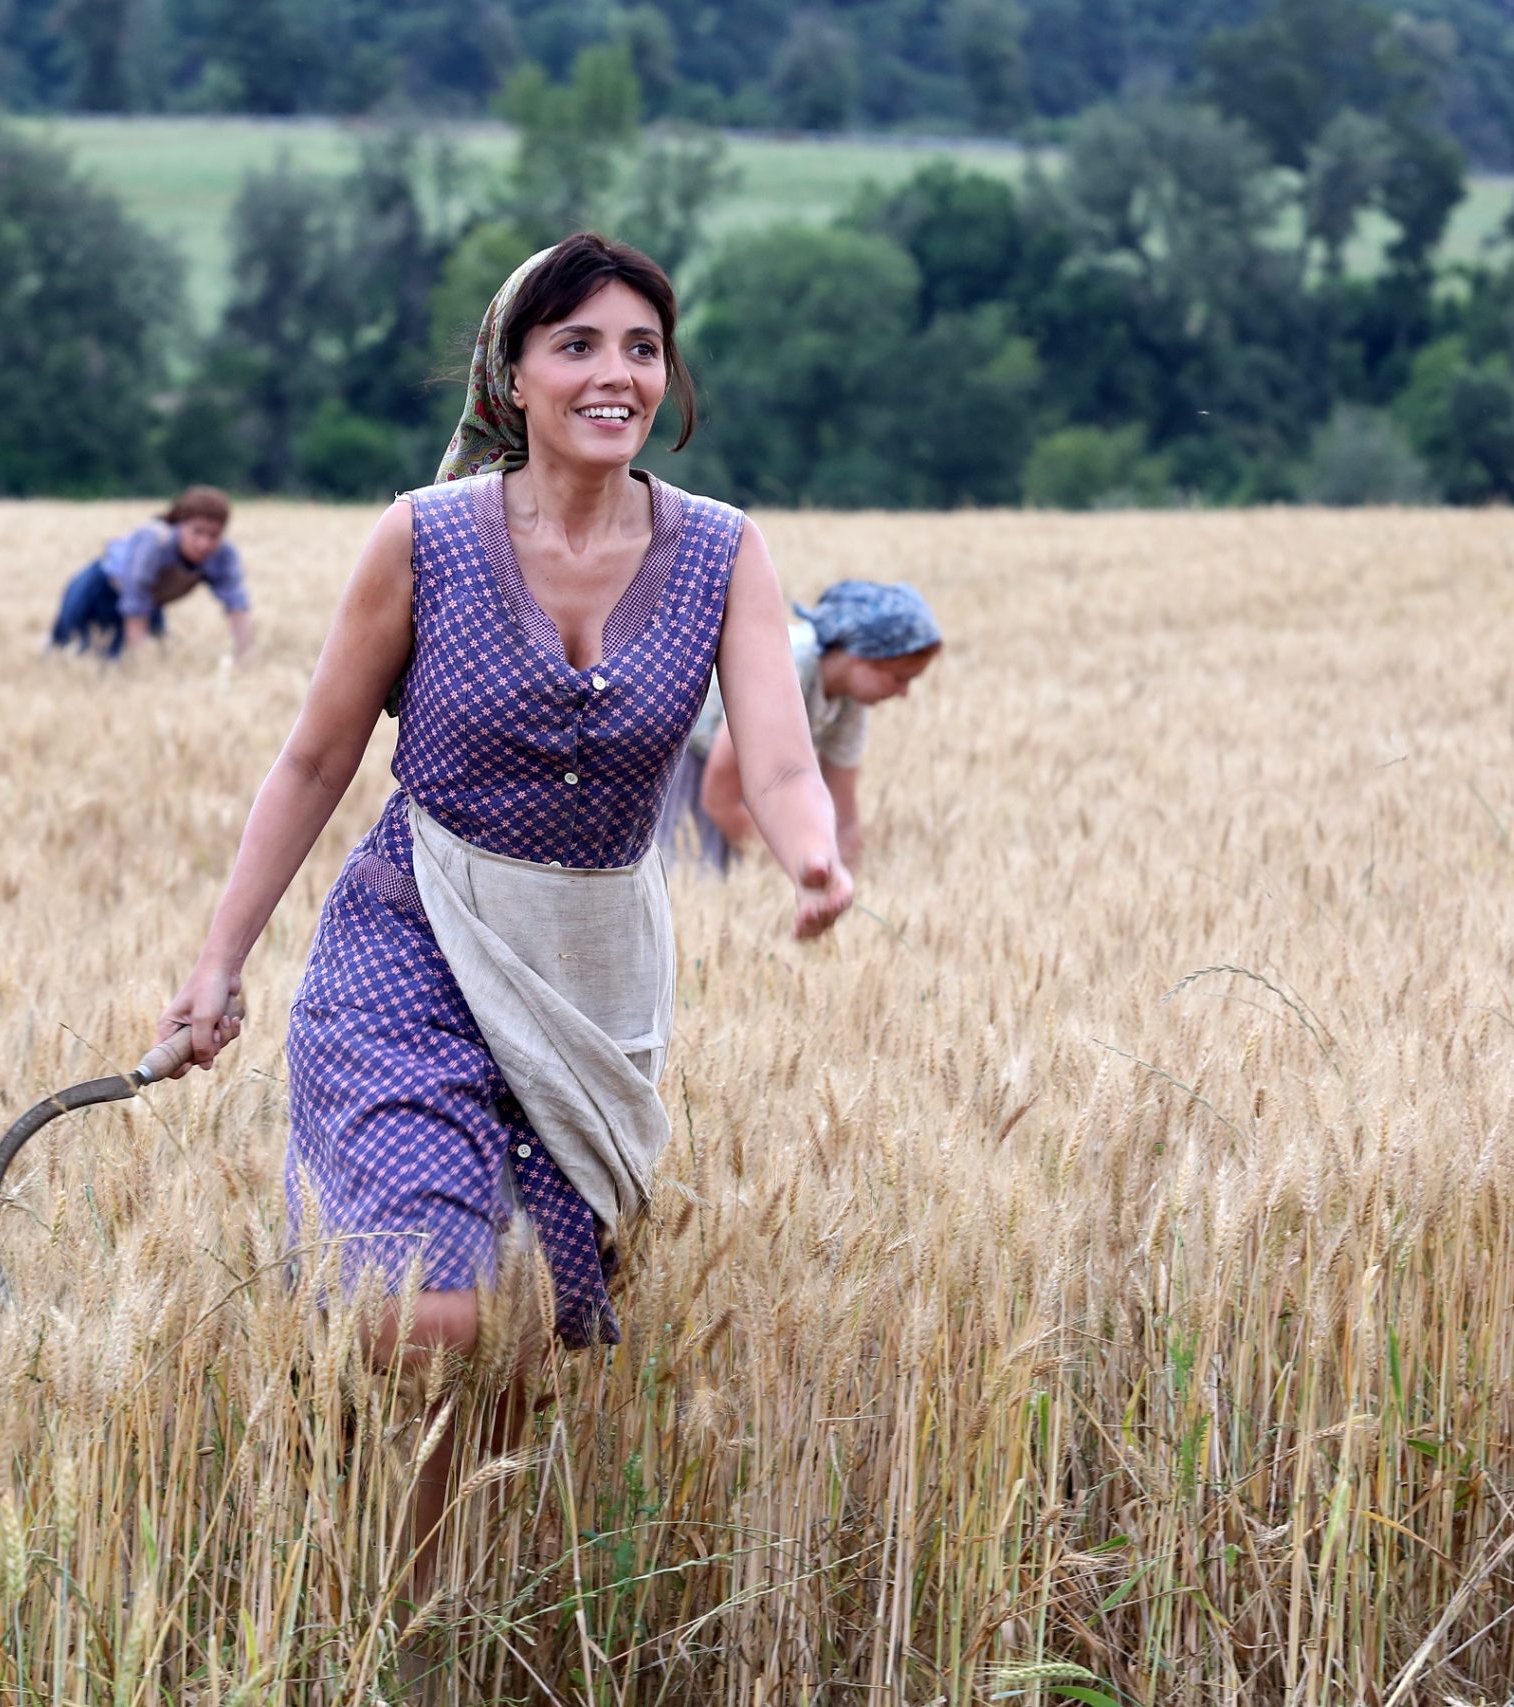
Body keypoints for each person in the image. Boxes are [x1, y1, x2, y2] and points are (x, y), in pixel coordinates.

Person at [147, 233, 851, 1595]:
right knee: (433, 1310)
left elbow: (775, 757)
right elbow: (313, 756)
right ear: (512, 375)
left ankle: (452, 1579)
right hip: (414, 937)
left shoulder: (721, 550)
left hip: (592, 970)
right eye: (577, 344)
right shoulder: (425, 537)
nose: (615, 373)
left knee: (531, 1331)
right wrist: (217, 963)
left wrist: (811, 856)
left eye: (641, 346)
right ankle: (395, 1593)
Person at [654, 579, 940, 872]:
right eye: (899, 677)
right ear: (862, 656)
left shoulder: (850, 700)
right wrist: (787, 869)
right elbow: (720, 798)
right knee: (695, 870)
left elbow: (843, 813)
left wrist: (849, 877)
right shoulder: (787, 665)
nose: (904, 693)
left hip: (751, 776)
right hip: (687, 759)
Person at [49, 486, 254, 663]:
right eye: (197, 532)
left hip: (150, 604)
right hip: (98, 591)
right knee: (72, 652)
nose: (204, 544)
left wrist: (244, 658)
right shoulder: (155, 542)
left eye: (214, 535)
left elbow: (237, 606)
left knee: (146, 657)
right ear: (179, 524)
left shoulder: (223, 556)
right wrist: (142, 664)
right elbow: (135, 599)